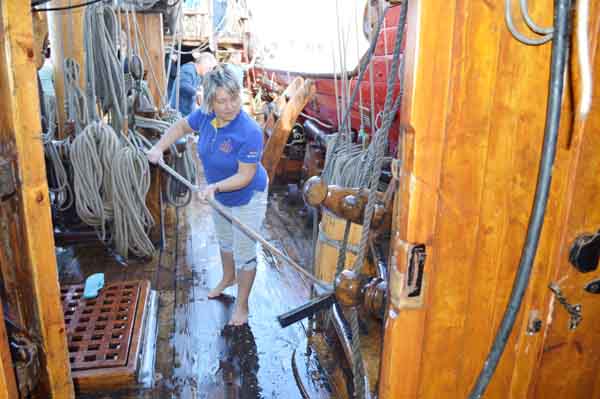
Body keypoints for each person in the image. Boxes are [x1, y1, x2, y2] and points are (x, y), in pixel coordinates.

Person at [147, 65, 268, 326]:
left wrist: (214, 188)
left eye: (234, 98)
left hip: (248, 195)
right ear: (210, 101)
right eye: (222, 100)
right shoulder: (204, 117)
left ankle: (242, 305)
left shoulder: (250, 132)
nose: (230, 106)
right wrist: (159, 147)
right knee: (225, 241)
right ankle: (228, 277)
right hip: (219, 192)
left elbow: (245, 176)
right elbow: (179, 127)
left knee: (244, 251)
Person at [169, 51, 217, 116]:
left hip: (187, 113)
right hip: (178, 113)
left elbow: (200, 91)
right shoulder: (189, 69)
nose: (210, 71)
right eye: (209, 68)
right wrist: (197, 93)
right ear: (204, 64)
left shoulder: (199, 76)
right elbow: (183, 85)